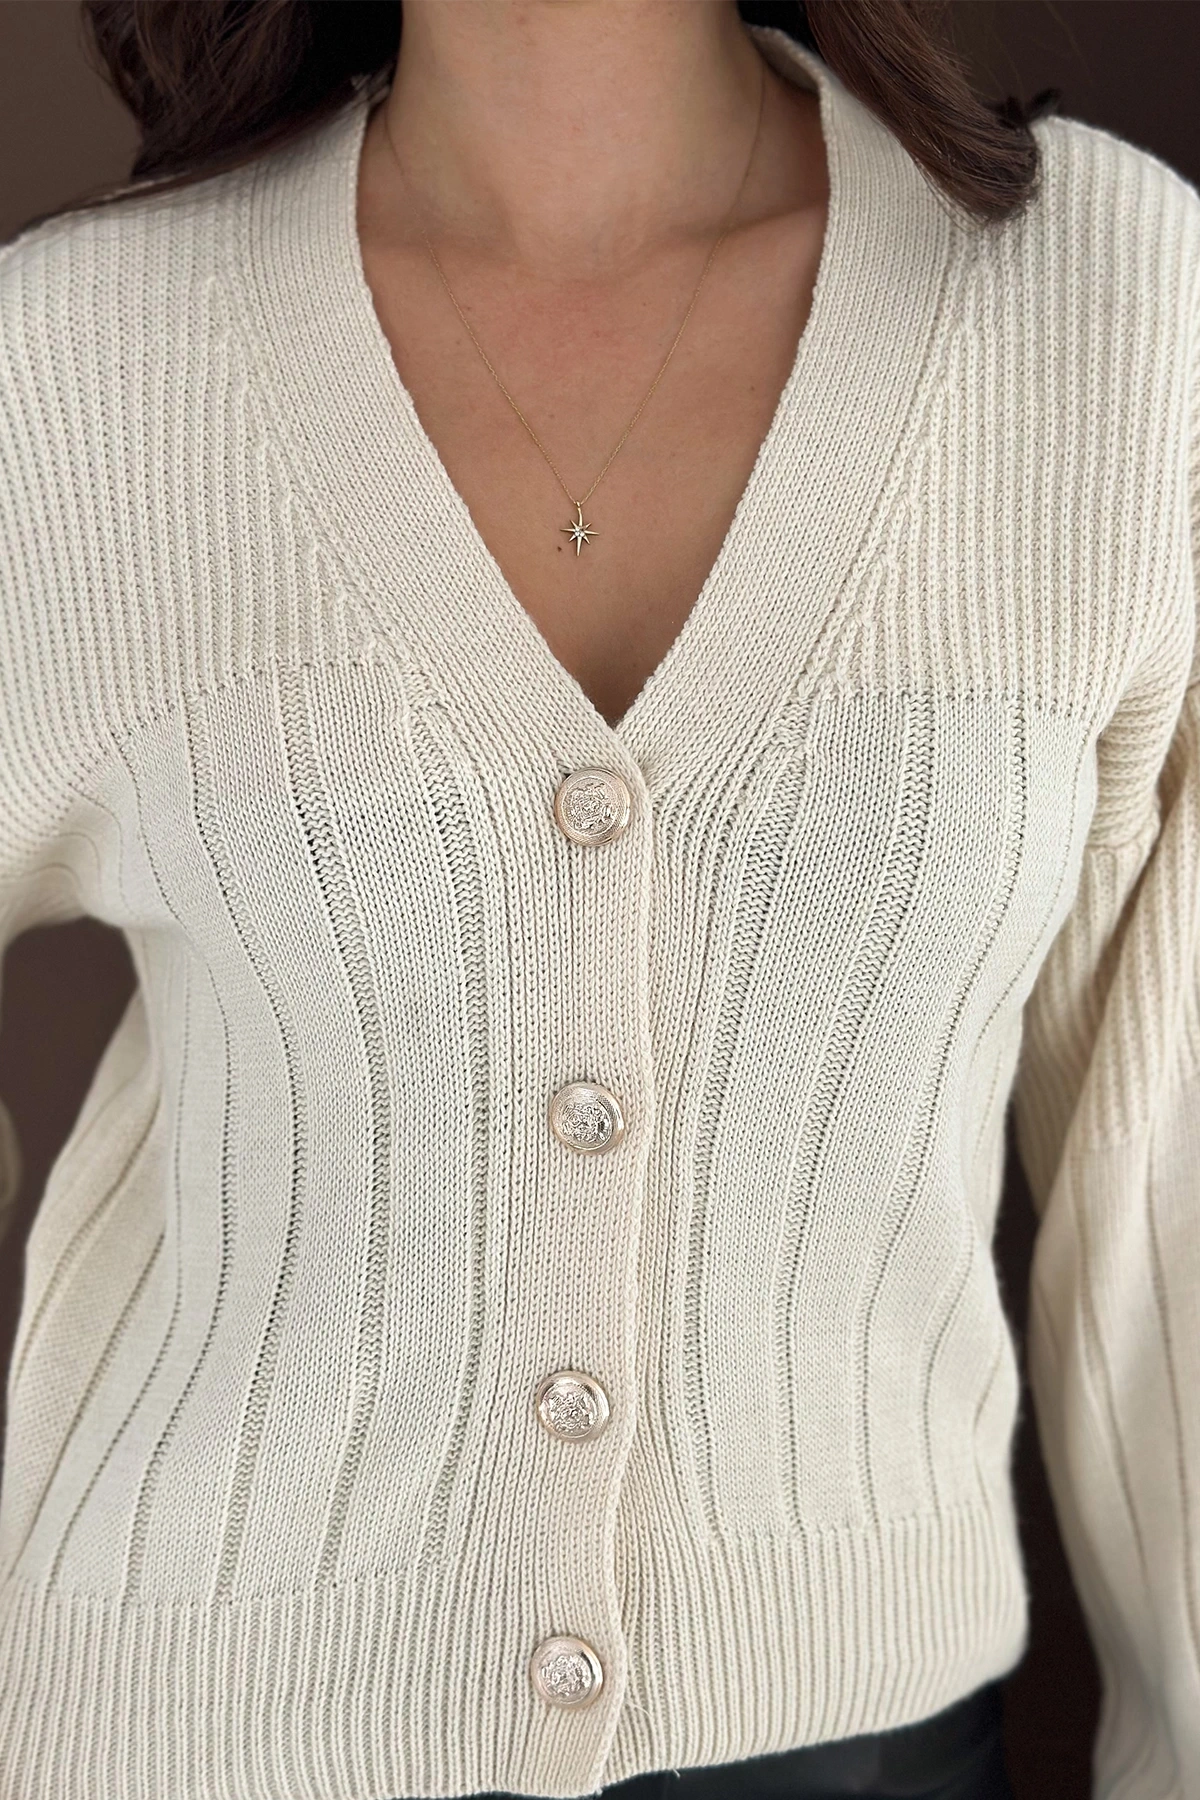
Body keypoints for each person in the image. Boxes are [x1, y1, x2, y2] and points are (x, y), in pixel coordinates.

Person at [0, 3, 1196, 1798]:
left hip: (861, 1743)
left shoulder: (1103, 307)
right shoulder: (77, 364)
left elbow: (1167, 1177)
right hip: (185, 1725)